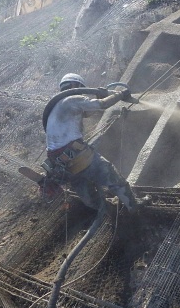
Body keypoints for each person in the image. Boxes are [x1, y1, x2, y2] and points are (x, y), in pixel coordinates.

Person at [43, 73, 138, 212]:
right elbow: (102, 104)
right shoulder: (71, 99)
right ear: (75, 86)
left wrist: (102, 96)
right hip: (79, 157)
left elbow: (86, 112)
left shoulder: (57, 106)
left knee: (90, 198)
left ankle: (109, 212)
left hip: (63, 166)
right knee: (115, 181)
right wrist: (120, 95)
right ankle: (135, 208)